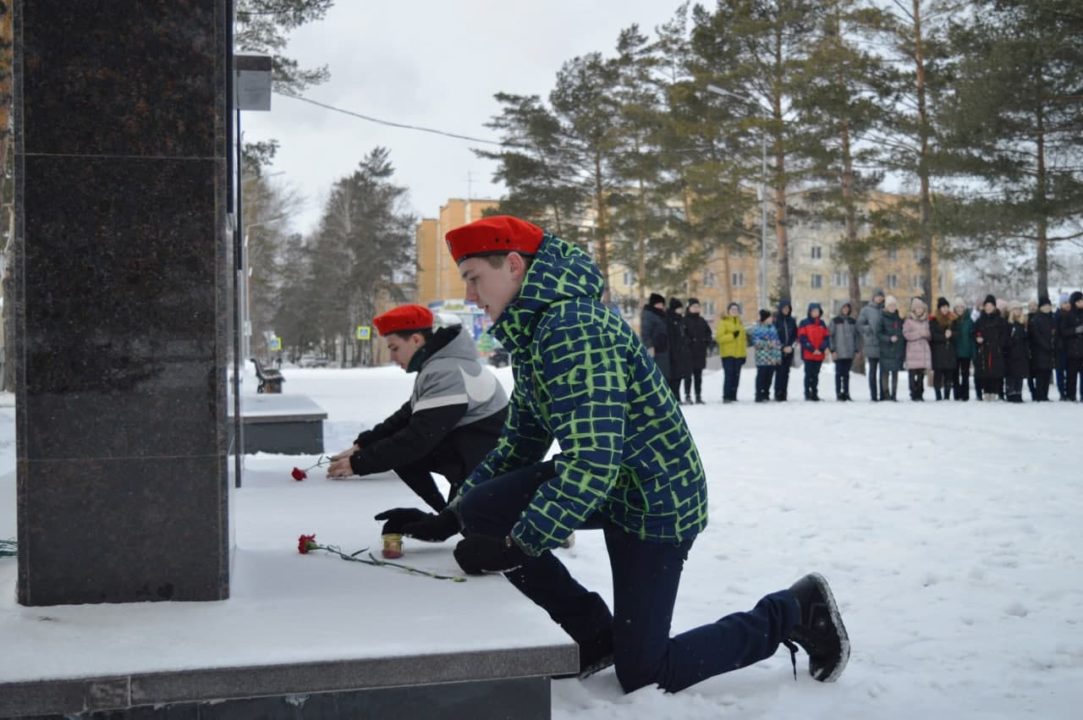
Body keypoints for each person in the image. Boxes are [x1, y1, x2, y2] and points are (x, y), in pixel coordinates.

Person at [394, 215, 850, 693]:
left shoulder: (572, 329)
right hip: (610, 483)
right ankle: (594, 635)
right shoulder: (534, 332)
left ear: (512, 265)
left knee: (646, 673)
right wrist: (454, 513)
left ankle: (794, 610)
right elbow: (520, 442)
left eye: (473, 279)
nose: (470, 295)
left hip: (656, 499)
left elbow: (592, 459)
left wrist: (517, 545)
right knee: (485, 509)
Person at [325, 304, 508, 519]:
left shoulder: (447, 372)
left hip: (486, 471)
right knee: (397, 452)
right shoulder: (439, 366)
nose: (393, 357)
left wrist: (358, 464)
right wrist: (364, 444)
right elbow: (409, 414)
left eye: (394, 348)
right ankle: (445, 514)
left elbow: (419, 438)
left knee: (403, 451)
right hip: (468, 455)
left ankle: (446, 517)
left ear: (415, 340)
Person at [973, 294, 1009, 402]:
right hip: (983, 349)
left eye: (991, 305)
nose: (988, 307)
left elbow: (1004, 334)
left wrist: (999, 344)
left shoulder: (1000, 320)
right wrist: (977, 338)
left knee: (996, 371)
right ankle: (985, 392)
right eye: (986, 305)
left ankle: (997, 392)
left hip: (996, 349)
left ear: (994, 307)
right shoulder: (980, 320)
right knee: (984, 371)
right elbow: (974, 332)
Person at [797, 303, 830, 401]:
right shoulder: (804, 322)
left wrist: (821, 349)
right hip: (808, 353)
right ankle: (807, 393)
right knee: (808, 374)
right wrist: (812, 349)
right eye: (813, 311)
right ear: (809, 312)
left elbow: (826, 337)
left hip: (819, 354)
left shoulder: (822, 323)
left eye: (817, 311)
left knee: (815, 375)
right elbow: (802, 338)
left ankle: (815, 393)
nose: (815, 313)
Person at [716, 302, 748, 403]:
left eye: (736, 309)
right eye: (732, 309)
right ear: (728, 311)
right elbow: (719, 338)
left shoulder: (740, 323)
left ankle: (734, 396)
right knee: (729, 375)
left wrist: (744, 355)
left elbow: (743, 341)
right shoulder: (724, 322)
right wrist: (732, 336)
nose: (734, 311)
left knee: (736, 376)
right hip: (728, 354)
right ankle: (727, 396)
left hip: (739, 354)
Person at [857, 289, 885, 401]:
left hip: (884, 345)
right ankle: (873, 395)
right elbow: (860, 325)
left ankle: (883, 394)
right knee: (873, 371)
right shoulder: (866, 310)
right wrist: (869, 330)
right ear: (873, 297)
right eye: (877, 296)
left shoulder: (885, 309)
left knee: (884, 372)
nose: (879, 298)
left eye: (881, 296)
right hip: (871, 343)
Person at [748, 309, 782, 402]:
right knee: (761, 376)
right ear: (765, 318)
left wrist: (777, 356)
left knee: (769, 377)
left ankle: (766, 394)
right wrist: (769, 344)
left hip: (772, 357)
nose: (771, 319)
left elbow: (777, 342)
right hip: (762, 358)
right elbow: (756, 342)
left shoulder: (773, 328)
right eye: (769, 317)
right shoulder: (757, 329)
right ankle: (759, 394)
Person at [1027, 295, 1056, 402]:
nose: (1047, 308)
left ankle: (1045, 394)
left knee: (1047, 373)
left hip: (1050, 351)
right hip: (1039, 351)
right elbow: (1036, 335)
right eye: (1045, 306)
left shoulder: (1051, 318)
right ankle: (1039, 395)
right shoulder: (1036, 319)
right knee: (1040, 373)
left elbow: (1054, 332)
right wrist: (1046, 345)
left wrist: (1052, 345)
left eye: (1049, 305)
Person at [683, 298, 712, 404]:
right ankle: (687, 396)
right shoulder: (684, 320)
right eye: (694, 307)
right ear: (689, 308)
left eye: (697, 307)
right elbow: (682, 335)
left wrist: (705, 341)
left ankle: (698, 395)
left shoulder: (702, 321)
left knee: (698, 376)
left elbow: (708, 333)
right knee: (688, 376)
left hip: (700, 352)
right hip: (688, 353)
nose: (696, 309)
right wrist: (689, 341)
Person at [929, 298, 957, 401]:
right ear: (939, 308)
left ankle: (947, 396)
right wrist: (945, 336)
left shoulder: (953, 319)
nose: (945, 309)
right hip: (938, 352)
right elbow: (933, 335)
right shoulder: (933, 320)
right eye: (943, 307)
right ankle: (938, 396)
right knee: (938, 375)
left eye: (946, 307)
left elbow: (957, 333)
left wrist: (952, 334)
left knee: (949, 375)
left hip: (950, 351)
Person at [877, 296, 904, 401]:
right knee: (885, 373)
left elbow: (901, 332)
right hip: (885, 349)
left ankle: (894, 394)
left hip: (896, 349)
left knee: (895, 373)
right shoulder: (882, 318)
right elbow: (878, 333)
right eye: (890, 305)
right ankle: (886, 393)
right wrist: (888, 339)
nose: (893, 307)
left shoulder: (898, 318)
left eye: (894, 305)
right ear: (886, 306)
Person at [830, 302, 858, 401]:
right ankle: (838, 393)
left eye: (847, 308)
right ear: (840, 309)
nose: (845, 310)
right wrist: (832, 350)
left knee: (846, 374)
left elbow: (856, 336)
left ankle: (846, 392)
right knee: (838, 373)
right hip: (838, 352)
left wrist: (856, 349)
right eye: (844, 308)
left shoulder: (852, 321)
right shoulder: (835, 321)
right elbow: (831, 336)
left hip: (849, 352)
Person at [640, 293, 670, 386]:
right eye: (659, 304)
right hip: (655, 350)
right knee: (658, 376)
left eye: (662, 304)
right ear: (654, 304)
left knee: (664, 375)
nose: (661, 306)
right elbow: (645, 333)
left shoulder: (660, 315)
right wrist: (650, 346)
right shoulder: (649, 315)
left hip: (663, 349)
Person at [666, 298, 692, 403]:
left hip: (683, 352)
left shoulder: (681, 320)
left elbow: (685, 334)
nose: (681, 310)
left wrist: (687, 340)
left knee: (681, 375)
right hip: (674, 352)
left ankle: (678, 397)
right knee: (675, 377)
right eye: (679, 308)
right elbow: (672, 337)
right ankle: (675, 397)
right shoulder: (670, 320)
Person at [1059, 291, 1083, 401]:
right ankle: (1071, 395)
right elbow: (1063, 331)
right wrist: (1076, 330)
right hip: (1072, 350)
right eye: (1079, 301)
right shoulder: (1068, 315)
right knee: (1071, 375)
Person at [774, 300, 799, 401]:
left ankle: (784, 392)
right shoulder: (776, 320)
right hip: (778, 350)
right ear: (780, 309)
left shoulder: (792, 321)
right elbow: (774, 337)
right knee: (779, 371)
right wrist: (782, 347)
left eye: (788, 308)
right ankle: (778, 392)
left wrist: (791, 347)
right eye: (784, 308)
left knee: (786, 372)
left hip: (789, 350)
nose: (786, 310)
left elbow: (795, 336)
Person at [1005, 302, 1029, 403]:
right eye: (1015, 309)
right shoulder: (1008, 324)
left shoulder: (1023, 323)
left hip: (1021, 353)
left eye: (1019, 309)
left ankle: (1018, 393)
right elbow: (1005, 339)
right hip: (1011, 353)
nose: (1018, 311)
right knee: (1011, 375)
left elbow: (1026, 338)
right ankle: (1010, 393)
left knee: (1019, 375)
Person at [952, 298, 975, 401]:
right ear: (955, 308)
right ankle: (957, 394)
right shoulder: (952, 320)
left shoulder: (969, 321)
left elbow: (972, 337)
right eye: (957, 307)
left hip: (966, 351)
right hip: (954, 351)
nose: (960, 309)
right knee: (955, 374)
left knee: (965, 374)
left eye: (961, 307)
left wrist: (972, 352)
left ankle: (965, 395)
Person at [1054, 293, 1072, 399]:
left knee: (1069, 371)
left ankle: (1068, 391)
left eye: (1068, 302)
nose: (1067, 305)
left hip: (1070, 347)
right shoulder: (1058, 315)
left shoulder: (1071, 314)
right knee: (1060, 371)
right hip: (1060, 348)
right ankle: (1062, 392)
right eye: (1065, 303)